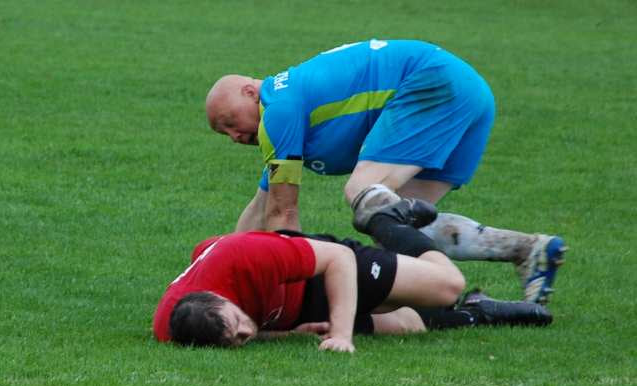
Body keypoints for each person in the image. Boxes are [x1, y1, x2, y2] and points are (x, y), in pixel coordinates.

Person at [205, 38, 567, 304]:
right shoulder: (289, 108)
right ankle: (527, 249)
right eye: (224, 134)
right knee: (400, 228)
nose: (235, 136)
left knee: (362, 191)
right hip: (468, 90)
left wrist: (289, 289)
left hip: (431, 82)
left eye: (230, 122)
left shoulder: (277, 108)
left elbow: (283, 215)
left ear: (250, 91)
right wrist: (218, 280)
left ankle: (433, 295)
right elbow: (261, 205)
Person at [153, 228, 551, 351]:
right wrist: (283, 332)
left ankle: (386, 217)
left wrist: (342, 335)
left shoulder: (245, 256)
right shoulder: (176, 326)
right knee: (406, 326)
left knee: (446, 285)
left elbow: (337, 259)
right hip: (291, 308)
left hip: (319, 266)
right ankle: (477, 311)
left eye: (241, 325)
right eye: (239, 340)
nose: (247, 333)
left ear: (224, 297)